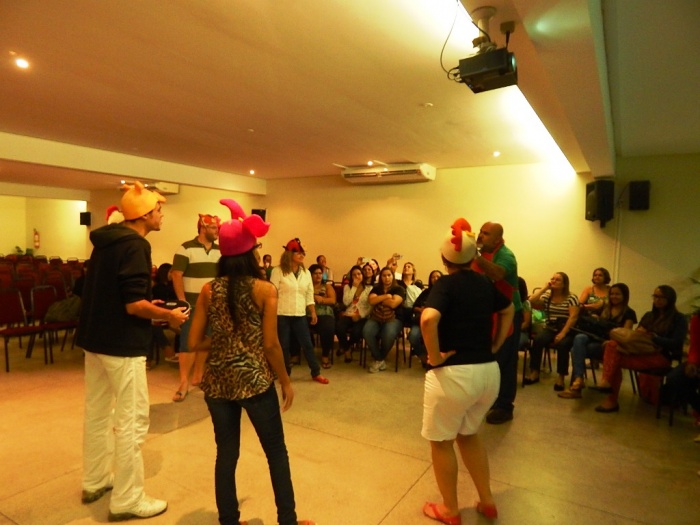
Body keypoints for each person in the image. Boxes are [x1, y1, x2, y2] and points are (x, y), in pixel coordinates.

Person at [189, 199, 315, 525]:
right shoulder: (264, 289)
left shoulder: (208, 290)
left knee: (226, 455)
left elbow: (193, 342)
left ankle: (228, 521)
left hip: (218, 383)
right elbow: (271, 345)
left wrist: (224, 340)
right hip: (255, 382)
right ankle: (287, 520)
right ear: (250, 253)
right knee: (276, 452)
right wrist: (286, 381)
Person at [77, 181, 188, 521]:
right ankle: (127, 499)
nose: (162, 215)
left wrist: (152, 307)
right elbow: (133, 305)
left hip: (95, 340)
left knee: (97, 414)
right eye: (158, 210)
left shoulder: (106, 242)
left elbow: (117, 294)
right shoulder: (136, 245)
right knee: (132, 421)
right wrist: (168, 316)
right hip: (122, 344)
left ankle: (95, 480)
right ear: (144, 215)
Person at [420, 218, 513, 524]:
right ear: (474, 256)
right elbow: (508, 308)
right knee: (469, 435)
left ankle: (450, 509)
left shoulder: (445, 285)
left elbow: (428, 319)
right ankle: (487, 501)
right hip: (488, 373)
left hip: (454, 376)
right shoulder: (485, 284)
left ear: (443, 259)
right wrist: (496, 344)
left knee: (441, 442)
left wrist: (435, 357)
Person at [594, 285, 688, 413]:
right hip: (639, 352)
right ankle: (607, 385)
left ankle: (610, 396)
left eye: (661, 297)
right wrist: (639, 333)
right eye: (655, 296)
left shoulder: (679, 318)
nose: (657, 300)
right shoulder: (649, 315)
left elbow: (676, 343)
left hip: (661, 356)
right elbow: (636, 337)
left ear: (670, 299)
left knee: (614, 360)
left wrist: (653, 337)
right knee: (612, 345)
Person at [472, 221, 522, 424]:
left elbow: (497, 273)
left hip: (508, 314)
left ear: (498, 239)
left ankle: (504, 406)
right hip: (488, 313)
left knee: (505, 360)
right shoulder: (482, 253)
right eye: (481, 232)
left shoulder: (506, 255)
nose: (480, 235)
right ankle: (489, 399)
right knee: (487, 358)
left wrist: (474, 255)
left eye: (486, 233)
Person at [171, 213, 221, 402]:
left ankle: (198, 376)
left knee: (207, 339)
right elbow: (176, 275)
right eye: (214, 228)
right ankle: (183, 382)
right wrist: (182, 301)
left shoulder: (220, 251)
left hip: (213, 304)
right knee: (187, 342)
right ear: (203, 227)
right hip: (191, 304)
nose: (217, 231)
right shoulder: (185, 248)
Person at [558, 283, 637, 399]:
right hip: (596, 337)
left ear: (624, 296)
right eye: (612, 294)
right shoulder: (605, 309)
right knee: (579, 338)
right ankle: (579, 379)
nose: (614, 296)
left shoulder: (629, 313)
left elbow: (625, 335)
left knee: (576, 350)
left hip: (610, 344)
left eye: (617, 294)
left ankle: (577, 385)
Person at [270, 238, 329, 384]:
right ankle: (285, 374)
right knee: (284, 346)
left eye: (303, 253)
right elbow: (272, 293)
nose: (302, 255)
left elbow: (309, 294)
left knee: (307, 344)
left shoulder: (306, 273)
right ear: (289, 253)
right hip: (282, 313)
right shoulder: (278, 271)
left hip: (300, 314)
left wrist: (313, 311)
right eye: (298, 253)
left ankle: (316, 372)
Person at [524, 272, 580, 390]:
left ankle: (561, 377)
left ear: (564, 284)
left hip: (566, 327)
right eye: (552, 279)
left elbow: (573, 317)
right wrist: (545, 288)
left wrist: (563, 333)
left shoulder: (572, 298)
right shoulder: (547, 296)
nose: (553, 281)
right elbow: (531, 302)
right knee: (538, 340)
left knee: (563, 344)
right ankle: (535, 372)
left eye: (557, 280)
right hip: (551, 327)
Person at [362, 266, 405, 373]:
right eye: (384, 275)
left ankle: (378, 359)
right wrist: (387, 296)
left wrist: (379, 299)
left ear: (392, 276)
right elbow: (371, 301)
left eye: (389, 275)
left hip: (395, 318)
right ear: (380, 277)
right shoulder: (376, 288)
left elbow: (394, 304)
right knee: (367, 331)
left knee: (388, 334)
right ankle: (380, 359)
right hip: (376, 316)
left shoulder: (399, 289)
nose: (387, 278)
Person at [335, 264, 371, 363]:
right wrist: (354, 287)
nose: (357, 276)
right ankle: (347, 350)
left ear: (362, 275)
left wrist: (360, 316)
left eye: (359, 274)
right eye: (354, 275)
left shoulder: (369, 288)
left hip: (362, 316)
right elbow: (346, 302)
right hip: (349, 313)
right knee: (339, 327)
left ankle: (346, 346)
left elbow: (370, 307)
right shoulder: (347, 287)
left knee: (356, 332)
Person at [407, 269, 442, 367]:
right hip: (421, 321)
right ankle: (424, 357)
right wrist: (421, 310)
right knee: (413, 336)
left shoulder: (445, 293)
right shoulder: (426, 292)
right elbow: (414, 307)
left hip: (438, 323)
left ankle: (434, 358)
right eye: (433, 277)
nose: (435, 279)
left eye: (438, 277)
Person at [308, 263, 336, 369]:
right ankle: (296, 354)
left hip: (325, 313)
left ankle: (325, 355)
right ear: (310, 275)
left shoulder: (327, 286)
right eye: (315, 273)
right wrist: (313, 297)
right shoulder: (306, 287)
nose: (318, 275)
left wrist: (322, 300)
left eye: (320, 273)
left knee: (328, 328)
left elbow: (332, 300)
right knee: (296, 324)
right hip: (308, 313)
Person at [151, 262, 178, 364]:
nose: (172, 274)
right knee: (153, 325)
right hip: (159, 313)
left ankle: (177, 351)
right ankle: (168, 351)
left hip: (173, 312)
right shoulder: (156, 287)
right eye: (171, 272)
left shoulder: (174, 286)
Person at [398, 261, 422, 326]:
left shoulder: (418, 284)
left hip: (413, 309)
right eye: (404, 267)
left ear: (413, 271)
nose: (406, 268)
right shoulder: (398, 283)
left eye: (409, 267)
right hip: (401, 308)